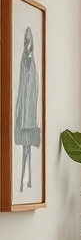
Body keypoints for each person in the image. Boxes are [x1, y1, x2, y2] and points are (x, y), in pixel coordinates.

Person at [14, 25, 41, 193]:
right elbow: (22, 90)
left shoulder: (31, 64)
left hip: (29, 114)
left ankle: (28, 179)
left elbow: (33, 91)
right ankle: (25, 179)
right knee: (25, 148)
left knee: (28, 148)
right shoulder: (24, 62)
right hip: (24, 114)